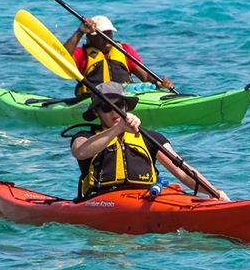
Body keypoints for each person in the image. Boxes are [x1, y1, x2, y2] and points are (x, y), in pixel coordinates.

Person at [70, 82, 229, 201]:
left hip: (146, 199)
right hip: (103, 200)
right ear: (97, 112)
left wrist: (213, 192)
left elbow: (182, 170)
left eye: (118, 105)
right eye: (106, 107)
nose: (113, 111)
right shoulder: (85, 136)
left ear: (125, 106)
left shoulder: (150, 138)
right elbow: (80, 152)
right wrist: (117, 129)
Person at [63, 15, 175, 97]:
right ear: (90, 37)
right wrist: (80, 32)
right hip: (95, 98)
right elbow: (62, 58)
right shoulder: (81, 54)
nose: (107, 38)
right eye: (102, 34)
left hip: (127, 95)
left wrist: (159, 82)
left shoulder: (124, 50)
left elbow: (145, 76)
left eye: (109, 34)